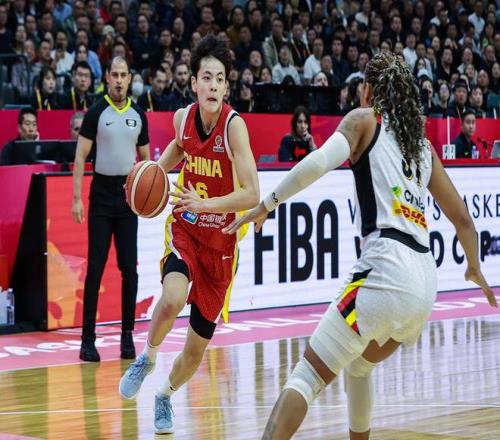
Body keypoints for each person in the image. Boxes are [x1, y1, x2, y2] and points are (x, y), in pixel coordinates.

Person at [224, 51, 497, 439]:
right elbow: (464, 220)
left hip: (386, 269)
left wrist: (268, 203)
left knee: (308, 374)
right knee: (358, 366)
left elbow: (319, 162)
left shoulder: (364, 121)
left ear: (368, 89)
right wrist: (473, 267)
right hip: (424, 284)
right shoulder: (422, 147)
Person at [118, 35, 259, 435]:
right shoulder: (183, 118)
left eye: (220, 79)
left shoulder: (234, 127)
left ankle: (164, 394)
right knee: (173, 297)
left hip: (222, 245)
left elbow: (252, 194)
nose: (213, 85)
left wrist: (207, 204)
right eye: (206, 78)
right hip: (185, 228)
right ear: (194, 83)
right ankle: (147, 357)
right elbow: (178, 151)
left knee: (196, 351)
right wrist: (151, 179)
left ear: (226, 87)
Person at [72, 56, 150, 362]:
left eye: (123, 75)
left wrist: (147, 198)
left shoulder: (138, 114)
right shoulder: (95, 112)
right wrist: (77, 199)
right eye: (114, 75)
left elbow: (146, 163)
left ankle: (127, 336)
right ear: (107, 77)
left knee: (129, 268)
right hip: (101, 198)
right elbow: (80, 157)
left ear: (129, 79)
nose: (118, 80)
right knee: (95, 267)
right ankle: (87, 340)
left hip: (127, 200)